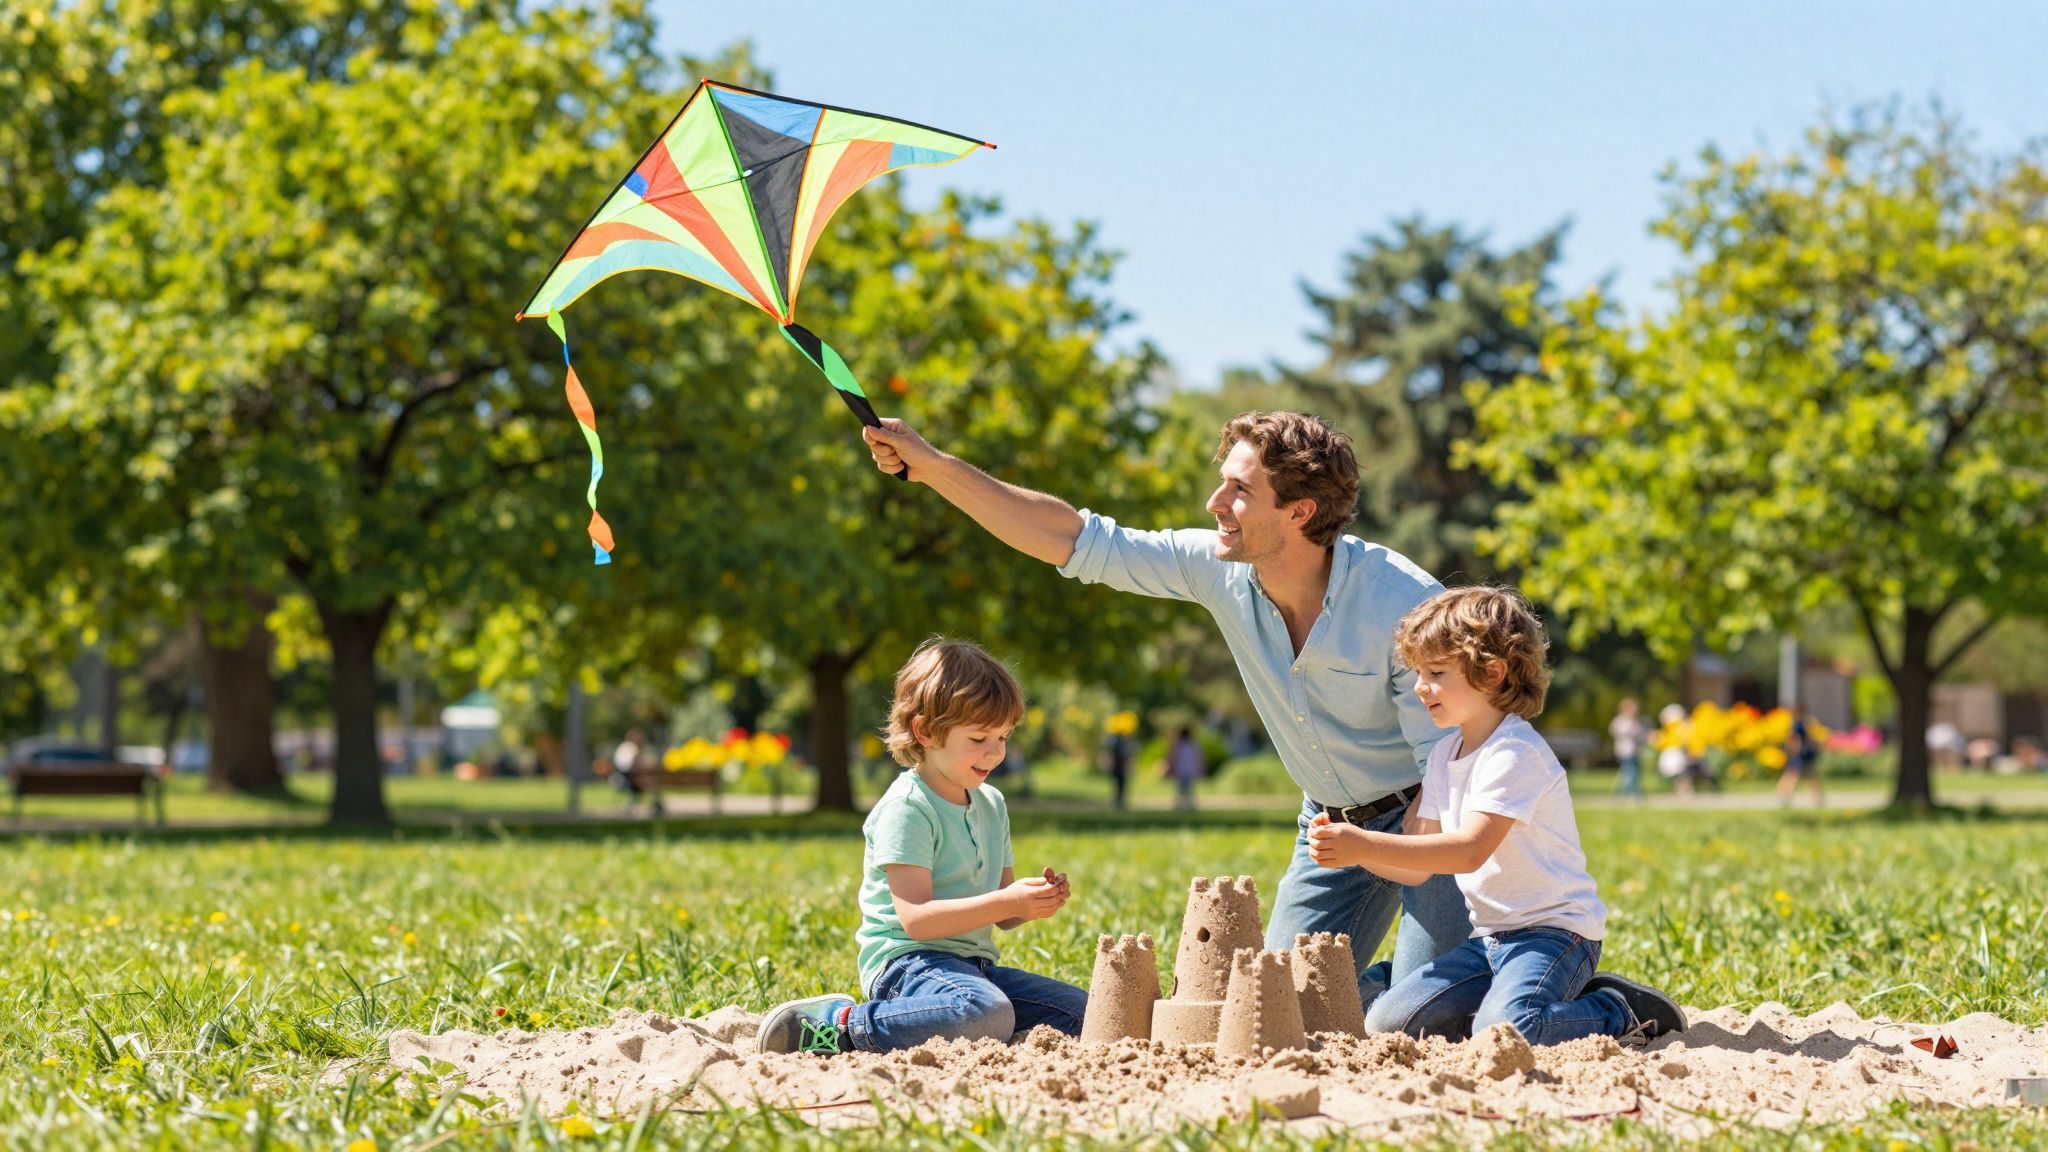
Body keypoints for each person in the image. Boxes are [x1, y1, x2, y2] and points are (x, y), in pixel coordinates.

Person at [863, 409, 1470, 1009]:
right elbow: (1073, 540)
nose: (1214, 502)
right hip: (1329, 826)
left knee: (1426, 1020)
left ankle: (1509, 966)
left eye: (1239, 490)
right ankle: (1385, 992)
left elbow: (1452, 762)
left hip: (1429, 814)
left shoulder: (1402, 605)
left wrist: (1403, 863)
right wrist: (933, 467)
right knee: (1271, 1009)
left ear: (1300, 511)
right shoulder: (1222, 571)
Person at [1311, 587, 1685, 1046]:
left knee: (1507, 1030)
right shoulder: (1446, 752)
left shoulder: (1513, 751)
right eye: (1418, 673)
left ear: (1491, 672)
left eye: (1435, 672)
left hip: (1554, 936)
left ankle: (1616, 1009)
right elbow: (1418, 868)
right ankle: (1496, 997)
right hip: (1488, 940)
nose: (1419, 686)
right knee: (1389, 1024)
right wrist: (1349, 851)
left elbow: (1468, 851)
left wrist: (1363, 844)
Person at [755, 639, 1085, 1054]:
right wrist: (1006, 902)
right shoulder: (908, 808)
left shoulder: (992, 804)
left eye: (1003, 736)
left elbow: (1004, 916)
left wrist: (1031, 902)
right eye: (980, 737)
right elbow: (918, 922)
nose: (995, 752)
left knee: (1083, 1013)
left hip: (973, 970)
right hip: (907, 966)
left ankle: (949, 1017)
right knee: (985, 1011)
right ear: (925, 731)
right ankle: (839, 1026)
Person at [1775, 704, 1824, 808]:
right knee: (1793, 776)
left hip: (1802, 755)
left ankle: (1817, 797)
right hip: (1800, 755)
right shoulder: (1798, 725)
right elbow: (1795, 739)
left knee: (1809, 776)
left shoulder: (1797, 723)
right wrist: (1795, 750)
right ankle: (1783, 797)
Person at [1608, 698, 1646, 800]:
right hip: (1624, 751)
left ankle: (1630, 793)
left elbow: (1640, 734)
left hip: (1634, 751)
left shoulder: (1636, 721)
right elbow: (1616, 732)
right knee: (1630, 772)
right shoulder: (1620, 720)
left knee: (1633, 772)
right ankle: (1629, 793)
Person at [1167, 726, 1207, 811]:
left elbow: (1199, 757)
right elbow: (1173, 757)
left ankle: (1188, 805)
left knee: (1186, 790)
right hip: (1185, 770)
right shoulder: (1182, 745)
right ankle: (1182, 806)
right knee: (1183, 790)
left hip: (1186, 770)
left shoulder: (1190, 745)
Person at [1101, 729, 1133, 810]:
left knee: (1120, 785)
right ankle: (1119, 800)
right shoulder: (1120, 744)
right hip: (1118, 767)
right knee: (1119, 784)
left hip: (1119, 767)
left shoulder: (1117, 744)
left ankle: (1119, 799)